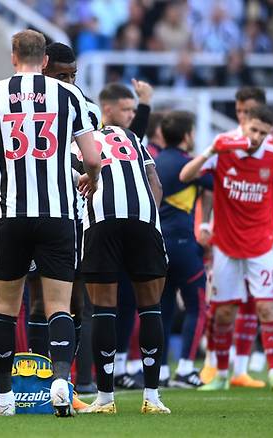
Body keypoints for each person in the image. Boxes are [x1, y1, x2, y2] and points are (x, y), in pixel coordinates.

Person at [0, 30, 100, 417]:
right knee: (60, 305)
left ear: (13, 57)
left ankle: (5, 397)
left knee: (6, 308)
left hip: (12, 214)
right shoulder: (70, 95)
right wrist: (90, 179)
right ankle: (60, 382)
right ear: (45, 60)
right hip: (57, 213)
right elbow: (92, 157)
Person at [180, 105, 273, 392]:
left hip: (260, 245)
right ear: (243, 125)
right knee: (223, 314)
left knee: (266, 308)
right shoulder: (224, 149)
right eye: (254, 130)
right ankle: (221, 374)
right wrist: (210, 152)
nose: (257, 137)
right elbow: (185, 176)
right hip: (226, 245)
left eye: (263, 133)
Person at [75, 125, 169, 414]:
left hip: (101, 219)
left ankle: (105, 398)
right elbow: (155, 180)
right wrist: (149, 216)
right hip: (144, 215)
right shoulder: (130, 136)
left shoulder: (73, 138)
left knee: (103, 309)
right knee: (150, 307)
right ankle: (152, 398)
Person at [97, 81, 155, 391]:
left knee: (123, 302)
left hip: (108, 228)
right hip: (114, 225)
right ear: (107, 109)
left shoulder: (128, 139)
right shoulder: (91, 132)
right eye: (127, 109)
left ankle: (113, 371)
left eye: (135, 110)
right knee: (104, 304)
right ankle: (94, 374)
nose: (132, 116)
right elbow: (154, 184)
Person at [154, 111, 211, 388]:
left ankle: (161, 370)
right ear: (188, 135)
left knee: (161, 310)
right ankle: (187, 369)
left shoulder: (153, 161)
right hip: (184, 246)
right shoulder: (191, 166)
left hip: (156, 246)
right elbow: (214, 183)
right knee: (197, 306)